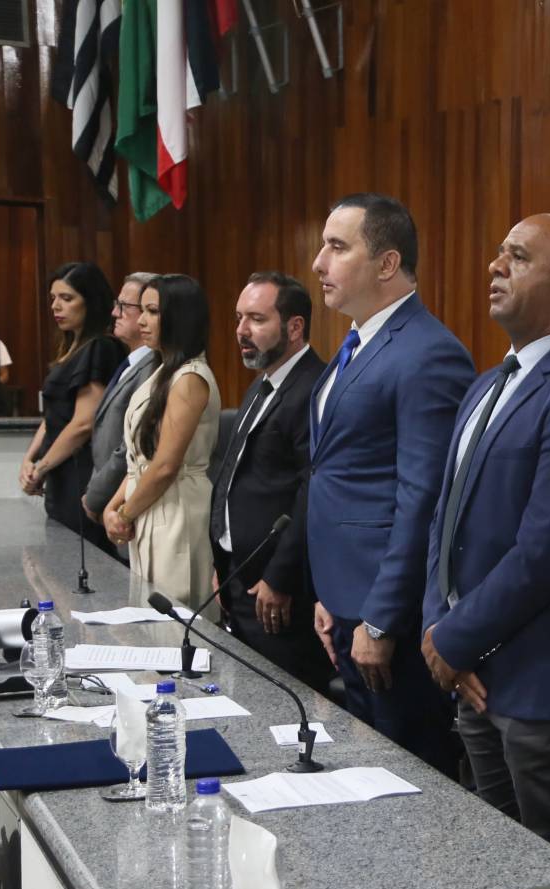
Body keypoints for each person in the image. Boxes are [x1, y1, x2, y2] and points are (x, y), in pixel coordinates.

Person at [421, 214, 550, 875]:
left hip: (544, 685)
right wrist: (437, 625)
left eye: (516, 257)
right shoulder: (487, 385)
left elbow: (548, 553)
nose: (494, 267)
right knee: (498, 867)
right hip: (475, 677)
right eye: (498, 253)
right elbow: (444, 522)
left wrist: (454, 640)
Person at [307, 193, 475, 773]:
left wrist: (380, 617)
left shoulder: (427, 353)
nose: (318, 263)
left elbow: (422, 499)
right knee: (365, 773)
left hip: (391, 620)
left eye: (337, 247)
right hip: (347, 604)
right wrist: (330, 595)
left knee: (408, 779)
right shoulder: (359, 343)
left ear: (386, 263)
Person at [211, 271, 331, 694]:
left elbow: (311, 492)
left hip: (277, 589)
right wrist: (223, 561)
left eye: (257, 319)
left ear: (294, 327)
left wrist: (281, 576)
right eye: (239, 318)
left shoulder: (314, 389)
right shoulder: (264, 384)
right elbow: (235, 475)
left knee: (279, 701)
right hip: (241, 576)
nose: (241, 330)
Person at [102, 275, 221, 608]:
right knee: (148, 616)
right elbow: (141, 461)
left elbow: (166, 465)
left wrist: (125, 514)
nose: (141, 320)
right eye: (141, 310)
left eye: (152, 311)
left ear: (179, 317)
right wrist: (112, 507)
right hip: (150, 505)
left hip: (176, 509)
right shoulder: (163, 371)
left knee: (172, 619)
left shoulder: (190, 377)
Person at [20, 262, 127, 541]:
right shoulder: (71, 349)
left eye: (67, 298)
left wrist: (41, 466)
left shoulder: (101, 347)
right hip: (59, 471)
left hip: (80, 473)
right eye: (53, 298)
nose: (56, 306)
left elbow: (83, 423)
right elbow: (54, 415)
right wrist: (30, 459)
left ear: (90, 301)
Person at [84, 271, 160, 557]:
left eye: (124, 306)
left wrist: (96, 496)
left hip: (130, 507)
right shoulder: (131, 362)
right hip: (114, 505)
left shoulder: (154, 368)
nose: (115, 313)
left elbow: (129, 446)